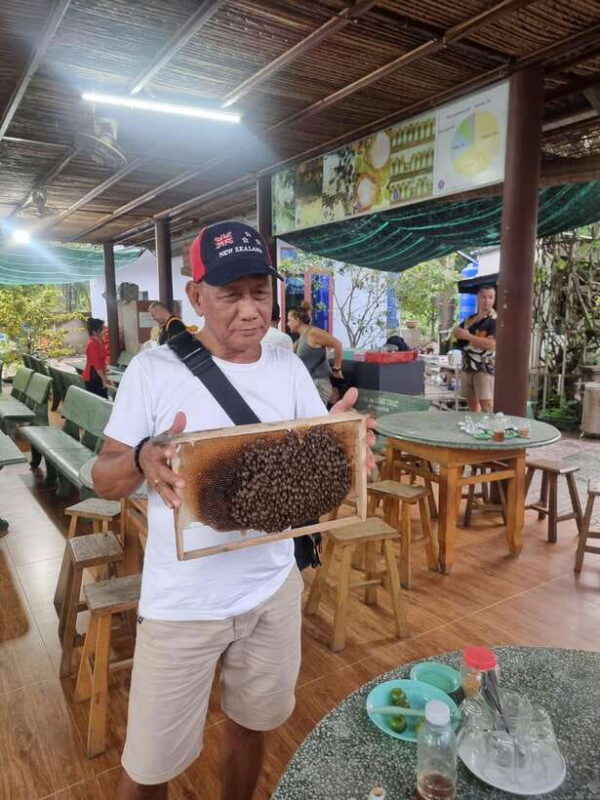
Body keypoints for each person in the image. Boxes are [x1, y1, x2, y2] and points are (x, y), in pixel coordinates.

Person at [91, 220, 373, 800]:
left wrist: (350, 450)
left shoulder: (287, 366)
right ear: (196, 297)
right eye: (229, 295)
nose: (249, 311)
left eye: (259, 293)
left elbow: (312, 452)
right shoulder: (152, 371)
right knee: (149, 766)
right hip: (183, 607)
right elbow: (104, 477)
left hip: (272, 590)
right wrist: (144, 457)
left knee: (253, 728)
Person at [287, 302, 343, 405]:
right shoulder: (300, 339)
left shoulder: (313, 333)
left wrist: (336, 368)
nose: (288, 323)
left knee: (316, 418)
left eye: (289, 320)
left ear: (298, 320)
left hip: (319, 384)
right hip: (308, 384)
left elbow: (337, 344)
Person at [452, 285, 497, 413]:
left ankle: (492, 430)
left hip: (484, 368)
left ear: (494, 299)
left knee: (487, 404)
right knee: (472, 404)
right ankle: (475, 429)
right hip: (467, 366)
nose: (486, 301)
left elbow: (492, 344)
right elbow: (455, 333)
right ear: (478, 298)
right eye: (483, 297)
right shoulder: (472, 318)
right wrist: (476, 318)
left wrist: (469, 336)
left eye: (490, 297)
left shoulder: (495, 320)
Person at [82, 317, 110, 398]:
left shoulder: (98, 342)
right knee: (101, 400)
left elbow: (101, 362)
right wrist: (103, 379)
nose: (105, 330)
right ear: (95, 331)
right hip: (94, 377)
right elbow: (96, 365)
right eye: (103, 328)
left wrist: (105, 377)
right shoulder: (93, 344)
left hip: (97, 376)